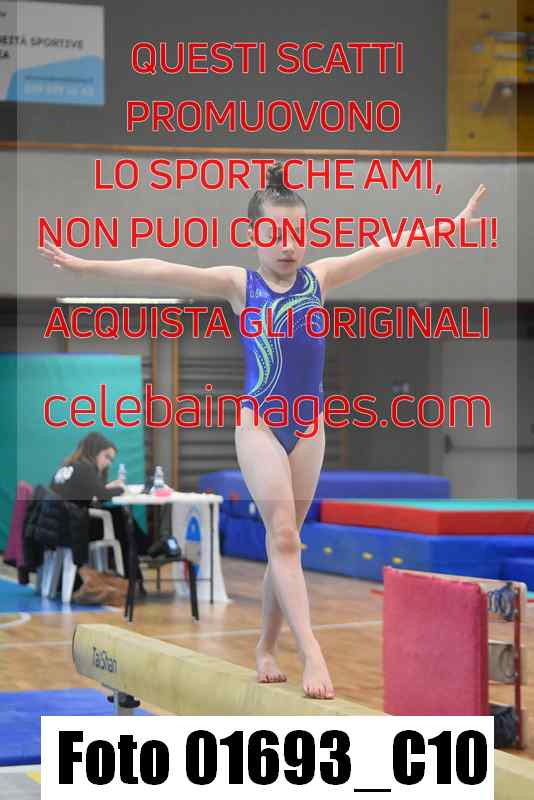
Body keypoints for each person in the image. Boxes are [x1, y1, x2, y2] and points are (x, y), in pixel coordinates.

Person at [38, 163, 487, 699]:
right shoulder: (240, 284)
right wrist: (88, 266)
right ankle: (311, 651)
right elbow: (161, 269)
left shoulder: (320, 278)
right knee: (284, 537)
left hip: (310, 427)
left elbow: (388, 247)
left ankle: (266, 646)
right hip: (259, 424)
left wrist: (450, 226)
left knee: (286, 540)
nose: (288, 244)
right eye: (275, 232)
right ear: (254, 234)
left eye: (297, 232)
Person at [50, 432, 146, 590]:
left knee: (118, 518)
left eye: (111, 460)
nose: (108, 463)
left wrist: (106, 488)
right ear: (94, 451)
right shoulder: (85, 469)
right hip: (74, 529)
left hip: (60, 526)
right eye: (106, 457)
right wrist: (121, 489)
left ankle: (136, 569)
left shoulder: (67, 467)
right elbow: (102, 495)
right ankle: (141, 561)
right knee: (121, 521)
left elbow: (91, 493)